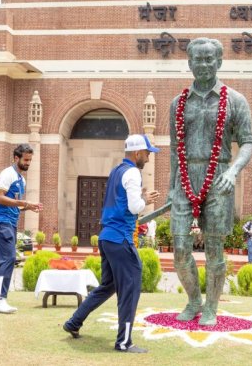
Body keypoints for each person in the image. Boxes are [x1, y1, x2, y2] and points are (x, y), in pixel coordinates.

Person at [167, 38, 252, 326]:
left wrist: (233, 172)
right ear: (189, 63)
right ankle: (193, 300)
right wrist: (171, 186)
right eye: (198, 60)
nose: (203, 65)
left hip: (219, 177)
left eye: (209, 59)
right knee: (180, 248)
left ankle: (211, 308)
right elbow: (173, 147)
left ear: (219, 62)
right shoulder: (177, 104)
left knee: (215, 248)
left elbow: (248, 143)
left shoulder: (235, 100)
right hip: (185, 177)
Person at [63, 134, 159, 353]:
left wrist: (141, 195)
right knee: (130, 288)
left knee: (108, 286)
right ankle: (124, 342)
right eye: (147, 153)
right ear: (137, 153)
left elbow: (121, 200)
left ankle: (73, 322)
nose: (148, 158)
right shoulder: (134, 172)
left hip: (107, 237)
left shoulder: (117, 171)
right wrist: (145, 200)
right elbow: (135, 207)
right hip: (121, 238)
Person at [0, 144, 42, 314]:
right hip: (2, 222)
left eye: (30, 160)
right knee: (9, 258)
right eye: (26, 160)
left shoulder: (21, 179)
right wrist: (24, 203)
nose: (28, 163)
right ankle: (1, 299)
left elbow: (14, 205)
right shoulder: (7, 174)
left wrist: (27, 208)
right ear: (16, 158)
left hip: (10, 221)